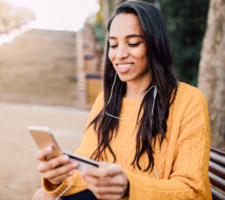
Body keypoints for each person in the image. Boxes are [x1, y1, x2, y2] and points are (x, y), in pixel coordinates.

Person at [32, 1, 212, 199]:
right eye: (114, 44)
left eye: (133, 43)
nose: (120, 55)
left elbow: (195, 192)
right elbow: (86, 168)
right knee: (43, 195)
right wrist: (59, 177)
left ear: (155, 45)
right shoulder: (105, 101)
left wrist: (128, 186)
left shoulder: (188, 101)